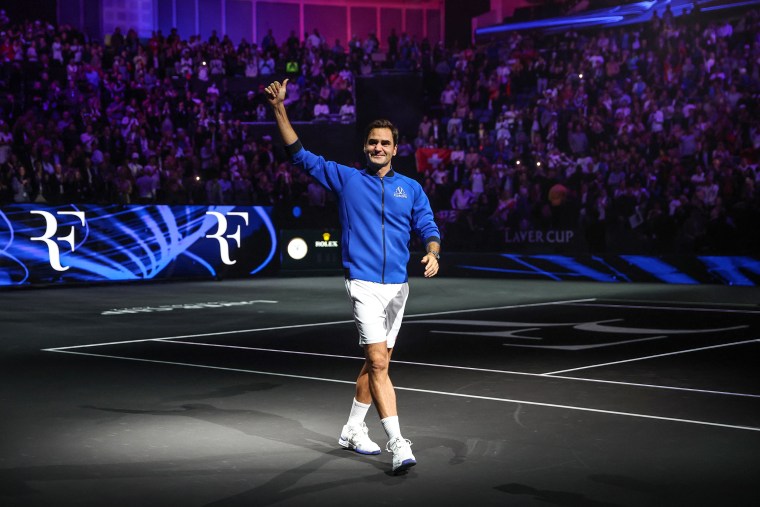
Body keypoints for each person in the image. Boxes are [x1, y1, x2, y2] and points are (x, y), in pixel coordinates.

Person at [265, 79, 441, 475]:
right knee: (378, 363)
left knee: (376, 365)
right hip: (362, 283)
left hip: (399, 287)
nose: (377, 148)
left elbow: (428, 227)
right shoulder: (346, 178)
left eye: (384, 143)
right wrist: (279, 108)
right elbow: (299, 155)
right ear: (365, 147)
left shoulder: (411, 189)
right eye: (371, 142)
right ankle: (397, 442)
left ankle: (351, 429)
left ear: (396, 149)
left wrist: (432, 253)